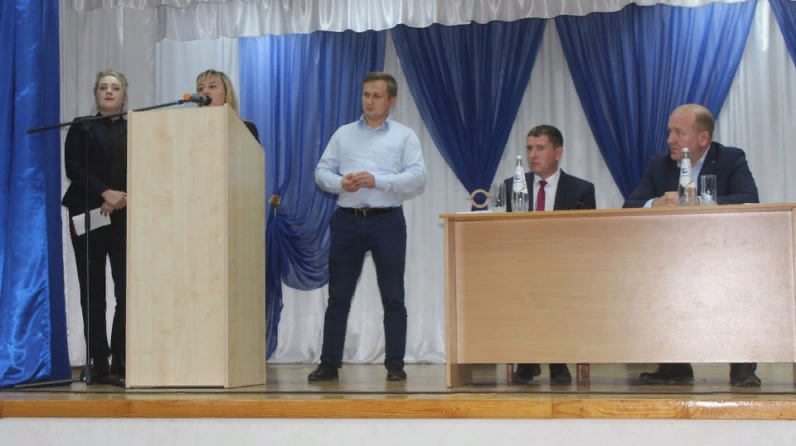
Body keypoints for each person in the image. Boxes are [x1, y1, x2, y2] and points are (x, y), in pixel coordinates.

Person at [623, 104, 761, 387]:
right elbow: (630, 205)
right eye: (669, 132)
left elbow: (749, 199)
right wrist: (656, 203)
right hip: (673, 255)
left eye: (679, 133)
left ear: (703, 138)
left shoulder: (730, 158)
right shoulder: (659, 165)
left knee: (742, 279)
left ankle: (742, 367)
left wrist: (699, 202)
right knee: (654, 278)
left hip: (723, 250)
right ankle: (674, 366)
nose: (670, 140)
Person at [309, 72, 427, 382]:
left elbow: (418, 177)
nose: (369, 101)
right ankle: (329, 364)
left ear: (392, 100)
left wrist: (379, 181)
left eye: (376, 96)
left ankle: (395, 364)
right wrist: (340, 183)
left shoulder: (404, 136)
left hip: (387, 221)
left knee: (393, 296)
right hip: (347, 220)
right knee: (338, 296)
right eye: (366, 95)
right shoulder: (343, 134)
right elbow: (321, 172)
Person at [504, 125, 596, 385]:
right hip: (524, 265)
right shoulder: (513, 186)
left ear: (558, 152)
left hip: (564, 265)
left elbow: (587, 235)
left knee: (556, 286)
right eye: (529, 148)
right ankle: (527, 359)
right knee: (522, 285)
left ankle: (558, 360)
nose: (533, 155)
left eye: (540, 148)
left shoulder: (581, 189)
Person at [62, 69, 130, 379]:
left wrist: (119, 198)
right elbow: (74, 168)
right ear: (96, 93)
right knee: (92, 289)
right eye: (103, 87)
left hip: (123, 214)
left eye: (115, 87)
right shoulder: (82, 127)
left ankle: (121, 357)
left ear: (123, 95)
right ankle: (97, 360)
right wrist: (104, 193)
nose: (109, 91)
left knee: (126, 289)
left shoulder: (134, 129)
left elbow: (141, 167)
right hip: (87, 213)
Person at [195, 69, 260, 143]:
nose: (205, 91)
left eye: (212, 86)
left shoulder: (246, 128)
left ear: (226, 94)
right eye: (200, 89)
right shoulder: (193, 128)